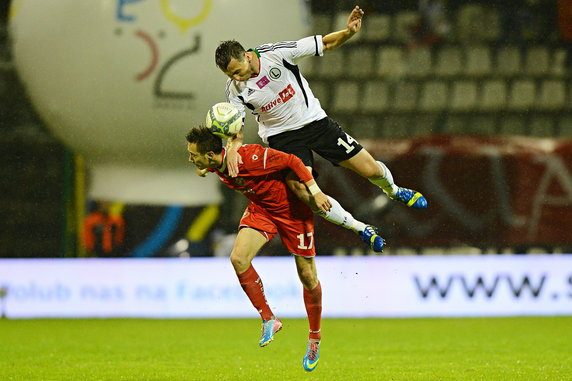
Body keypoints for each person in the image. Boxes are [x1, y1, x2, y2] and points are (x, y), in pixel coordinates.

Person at [214, 5, 427, 246]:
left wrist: (348, 32)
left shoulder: (276, 54)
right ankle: (361, 229)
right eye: (230, 75)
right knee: (306, 194)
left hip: (316, 123)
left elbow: (324, 44)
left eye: (238, 71)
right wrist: (232, 149)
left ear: (247, 56)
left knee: (371, 170)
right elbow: (237, 127)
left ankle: (395, 191)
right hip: (283, 139)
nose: (237, 78)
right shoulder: (235, 90)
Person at [186, 126, 375, 372]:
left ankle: (314, 339)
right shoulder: (217, 163)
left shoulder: (249, 157)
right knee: (238, 258)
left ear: (211, 154)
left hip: (292, 212)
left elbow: (293, 161)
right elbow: (212, 164)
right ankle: (269, 318)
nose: (190, 159)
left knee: (308, 278)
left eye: (193, 155)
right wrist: (203, 168)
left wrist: (315, 193)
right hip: (262, 209)